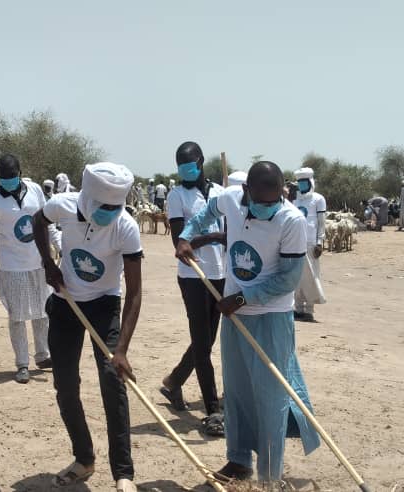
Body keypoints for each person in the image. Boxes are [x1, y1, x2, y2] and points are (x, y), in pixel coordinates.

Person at [174, 161, 320, 482]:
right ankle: (238, 462)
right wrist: (186, 236)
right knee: (237, 393)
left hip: (270, 319)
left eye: (274, 200)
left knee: (271, 398)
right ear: (246, 191)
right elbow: (204, 214)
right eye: (261, 201)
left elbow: (288, 279)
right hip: (235, 320)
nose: (269, 206)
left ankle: (270, 476)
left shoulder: (291, 220)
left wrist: (241, 298)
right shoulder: (229, 199)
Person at [32, 162, 142, 492]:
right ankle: (84, 459)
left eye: (116, 207)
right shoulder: (62, 205)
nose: (111, 212)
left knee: (112, 381)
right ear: (89, 200)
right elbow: (37, 222)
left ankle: (123, 474)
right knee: (65, 385)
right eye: (105, 207)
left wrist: (121, 349)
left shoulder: (126, 226)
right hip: (66, 303)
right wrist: (48, 262)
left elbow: (135, 292)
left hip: (104, 304)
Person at [160, 141, 227, 436]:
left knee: (208, 339)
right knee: (202, 342)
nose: (185, 170)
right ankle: (213, 409)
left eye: (189, 164)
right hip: (193, 275)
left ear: (200, 161)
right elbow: (179, 240)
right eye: (180, 166)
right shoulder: (176, 196)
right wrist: (214, 236)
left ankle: (174, 381)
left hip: (221, 272)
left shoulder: (221, 193)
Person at [0, 155, 52, 383]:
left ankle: (43, 355)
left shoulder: (35, 191)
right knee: (17, 316)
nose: (8, 181)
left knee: (43, 312)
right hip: (12, 267)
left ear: (20, 173)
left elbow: (46, 224)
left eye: (12, 177)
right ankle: (22, 363)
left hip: (38, 263)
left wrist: (56, 250)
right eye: (4, 178)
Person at [292, 167, 327, 321]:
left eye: (304, 182)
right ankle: (298, 308)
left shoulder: (318, 199)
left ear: (310, 182)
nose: (301, 185)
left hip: (311, 243)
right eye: (299, 182)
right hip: (295, 243)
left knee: (311, 276)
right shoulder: (295, 199)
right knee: (297, 277)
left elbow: (321, 222)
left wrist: (320, 241)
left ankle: (309, 309)